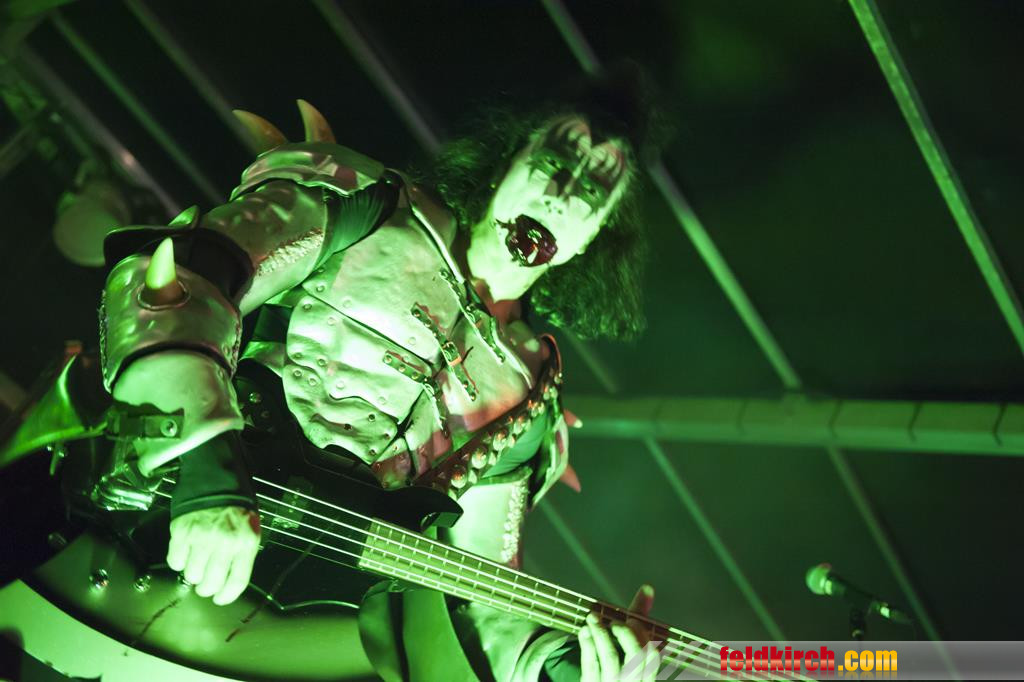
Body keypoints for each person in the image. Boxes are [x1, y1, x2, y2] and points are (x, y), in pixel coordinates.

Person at [26, 67, 660, 681]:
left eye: (591, 191)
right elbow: (177, 282)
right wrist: (204, 466)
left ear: (594, 236)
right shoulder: (375, 206)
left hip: (273, 647)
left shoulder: (529, 396)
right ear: (508, 161)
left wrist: (572, 667)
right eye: (554, 160)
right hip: (106, 535)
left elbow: (480, 596)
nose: (562, 193)